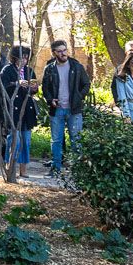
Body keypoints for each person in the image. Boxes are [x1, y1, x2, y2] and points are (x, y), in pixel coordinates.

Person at [41, 40, 91, 179]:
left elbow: (86, 84)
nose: (63, 53)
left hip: (74, 110)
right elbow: (45, 88)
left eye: (65, 50)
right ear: (54, 53)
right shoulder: (49, 68)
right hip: (57, 110)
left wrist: (78, 97)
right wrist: (51, 100)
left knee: (76, 140)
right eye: (60, 51)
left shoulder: (76, 66)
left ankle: (77, 171)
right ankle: (55, 169)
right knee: (56, 140)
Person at [0, 46, 38, 181]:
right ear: (15, 57)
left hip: (27, 109)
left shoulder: (29, 71)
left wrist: (33, 88)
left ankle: (23, 169)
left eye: (27, 57)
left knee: (26, 140)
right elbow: (3, 87)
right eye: (22, 57)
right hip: (13, 109)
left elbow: (33, 89)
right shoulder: (7, 70)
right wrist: (16, 83)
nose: (24, 60)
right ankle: (11, 167)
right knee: (14, 139)